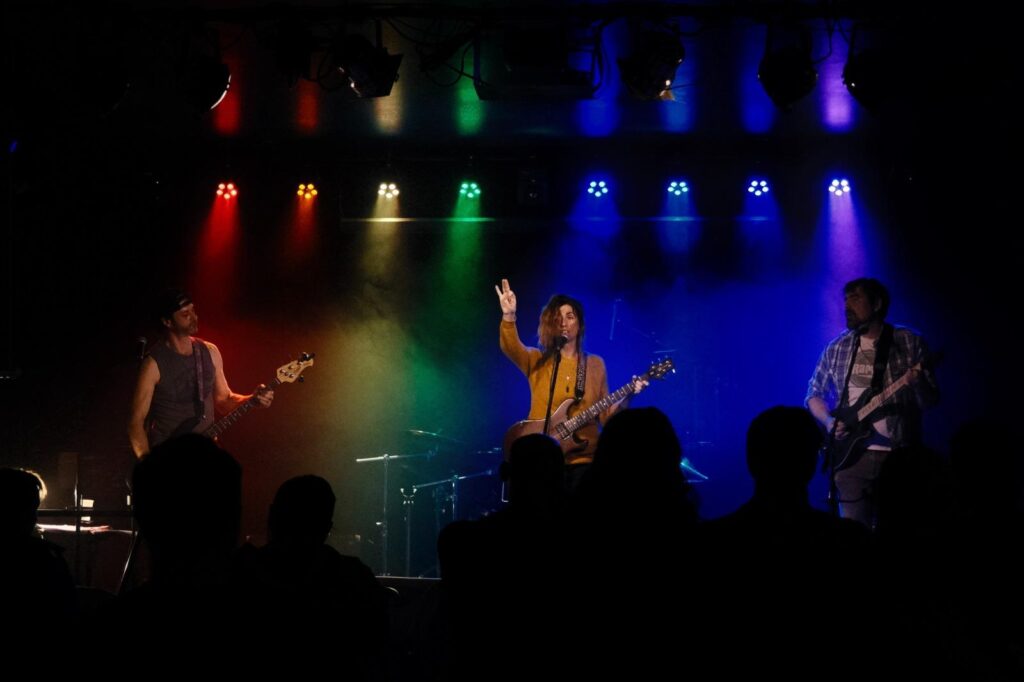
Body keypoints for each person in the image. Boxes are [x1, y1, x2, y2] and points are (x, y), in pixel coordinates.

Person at [806, 277, 938, 528]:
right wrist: (828, 420)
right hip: (851, 460)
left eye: (855, 298)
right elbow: (814, 394)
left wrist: (917, 383)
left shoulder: (908, 341)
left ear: (876, 304)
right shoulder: (837, 347)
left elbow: (930, 401)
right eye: (845, 299)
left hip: (900, 458)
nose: (847, 305)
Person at [495, 278, 643, 489]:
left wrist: (629, 395)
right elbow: (511, 347)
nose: (563, 322)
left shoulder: (595, 364)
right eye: (558, 318)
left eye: (570, 316)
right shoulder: (538, 360)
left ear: (580, 324)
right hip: (543, 461)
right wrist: (509, 315)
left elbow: (606, 417)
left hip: (584, 462)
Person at [127, 289, 273, 458]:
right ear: (167, 321)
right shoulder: (153, 364)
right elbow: (135, 423)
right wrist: (149, 464)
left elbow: (224, 400)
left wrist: (252, 399)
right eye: (185, 314)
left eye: (193, 310)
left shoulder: (210, 351)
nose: (194, 317)